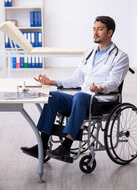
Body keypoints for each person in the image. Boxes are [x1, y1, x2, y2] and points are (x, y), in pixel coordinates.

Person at [21, 16, 129, 161]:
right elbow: (77, 78)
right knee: (53, 96)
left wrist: (101, 87)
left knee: (79, 97)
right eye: (94, 29)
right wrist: (52, 82)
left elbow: (115, 82)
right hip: (83, 100)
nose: (95, 33)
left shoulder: (120, 56)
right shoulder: (89, 53)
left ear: (110, 32)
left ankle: (66, 146)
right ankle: (43, 145)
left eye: (100, 29)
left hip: (101, 101)